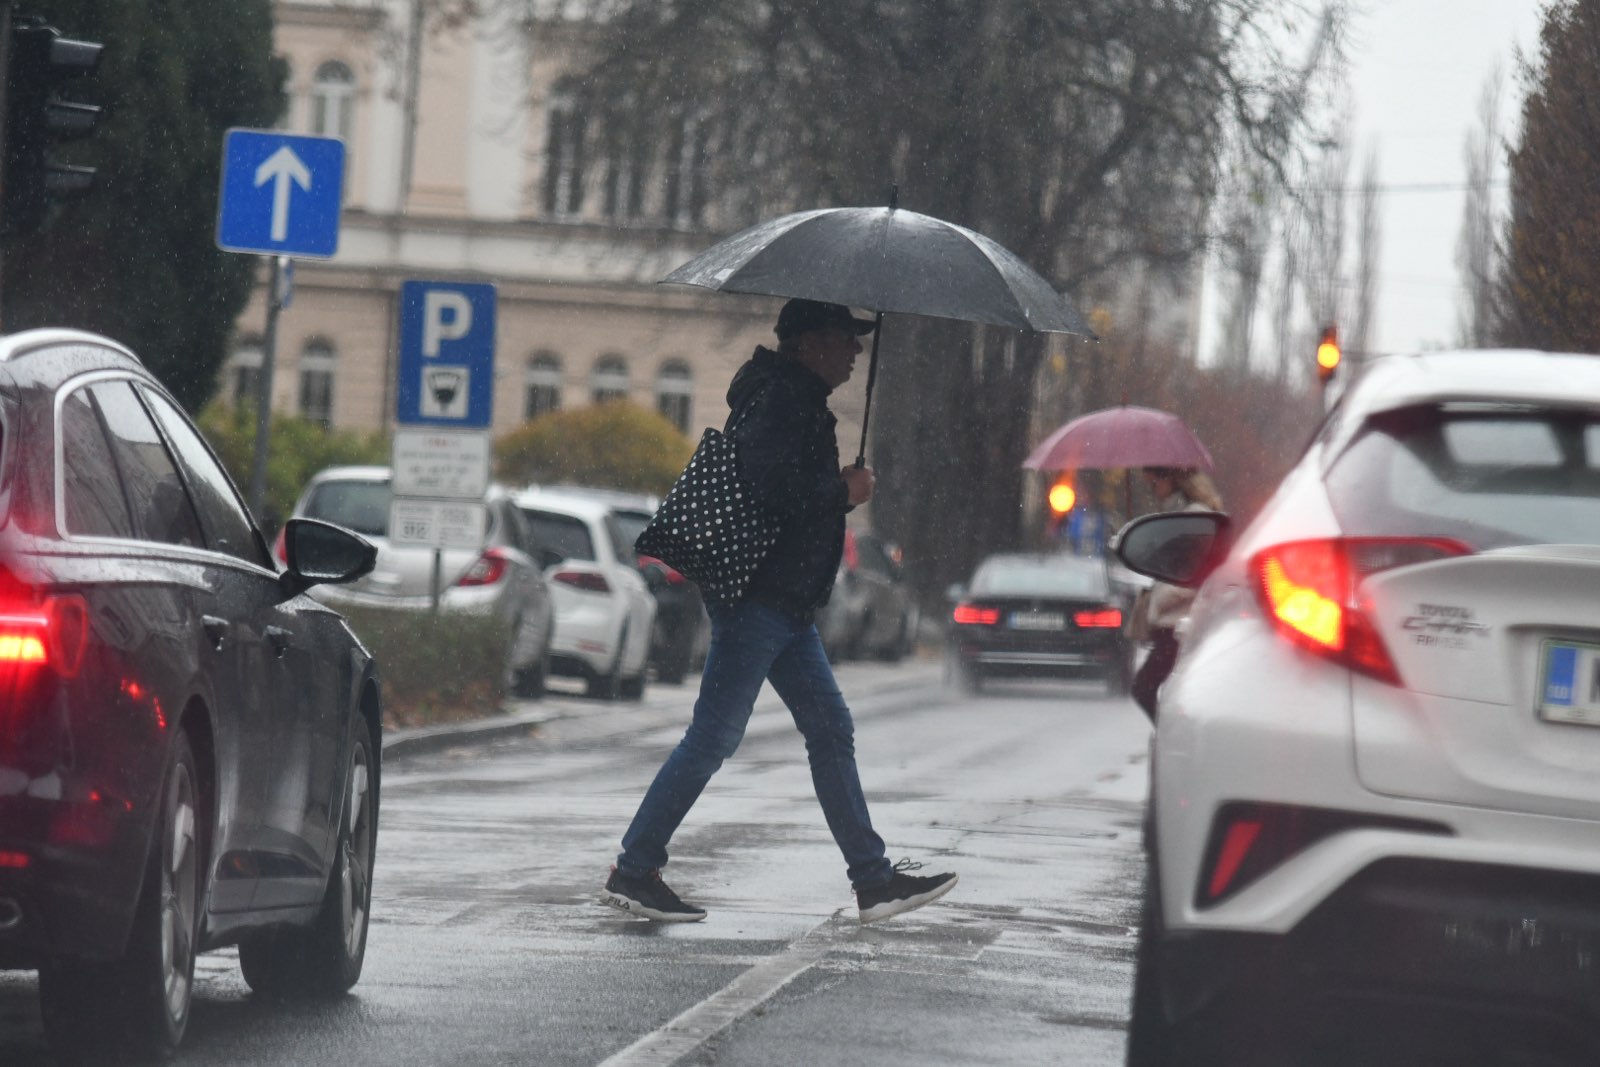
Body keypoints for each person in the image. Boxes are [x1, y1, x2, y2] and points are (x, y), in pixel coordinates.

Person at [602, 299, 958, 925]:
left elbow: (787, 493)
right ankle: (634, 868)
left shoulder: (796, 400)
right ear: (807, 343)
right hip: (760, 599)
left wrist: (835, 493)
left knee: (829, 731)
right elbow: (771, 489)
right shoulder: (781, 401)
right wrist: (841, 491)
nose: (854, 351)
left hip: (787, 606)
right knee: (714, 736)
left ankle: (873, 881)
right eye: (843, 338)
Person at [1129, 466, 1225, 721]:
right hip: (1175, 624)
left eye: (1156, 483)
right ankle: (1174, 736)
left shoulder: (1194, 519)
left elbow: (1198, 574)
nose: (1154, 490)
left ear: (1173, 481)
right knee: (1162, 689)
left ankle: (1172, 737)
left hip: (1179, 624)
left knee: (1145, 687)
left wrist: (1161, 601)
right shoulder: (1181, 516)